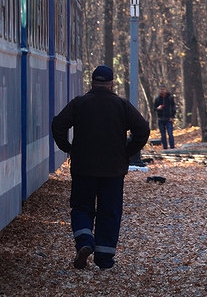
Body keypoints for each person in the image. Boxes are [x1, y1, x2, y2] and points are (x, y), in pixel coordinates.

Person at [52, 64, 150, 271]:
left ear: (92, 82)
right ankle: (104, 258)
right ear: (112, 83)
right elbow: (142, 129)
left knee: (81, 207)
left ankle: (85, 241)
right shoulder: (121, 105)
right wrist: (128, 151)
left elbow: (58, 124)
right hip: (113, 170)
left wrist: (68, 147)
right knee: (110, 212)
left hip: (83, 167)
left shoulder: (79, 103)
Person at [154, 86, 177, 151]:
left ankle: (172, 147)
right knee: (163, 134)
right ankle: (165, 148)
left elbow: (173, 108)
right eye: (161, 89)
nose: (162, 91)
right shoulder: (158, 99)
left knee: (170, 133)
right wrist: (158, 108)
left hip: (168, 119)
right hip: (161, 119)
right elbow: (154, 108)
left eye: (164, 89)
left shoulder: (170, 98)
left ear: (166, 90)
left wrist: (172, 117)